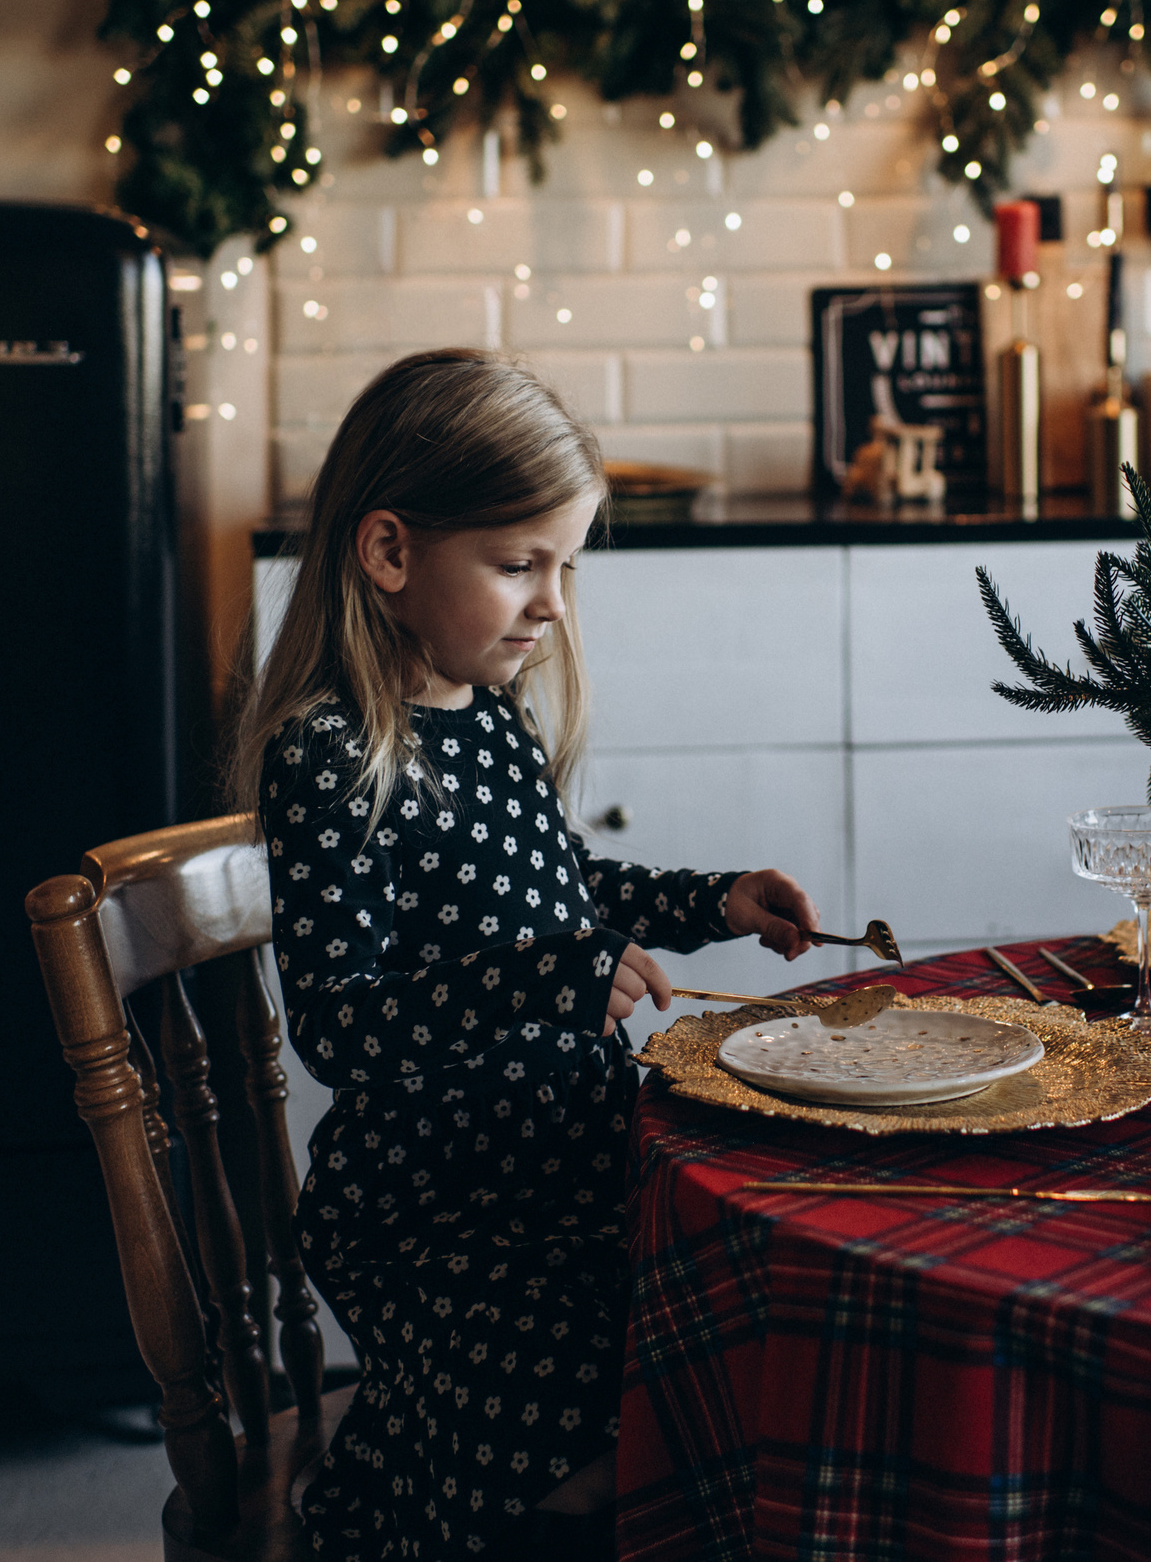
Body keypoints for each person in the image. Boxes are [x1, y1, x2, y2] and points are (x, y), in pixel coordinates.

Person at [230, 349, 819, 1561]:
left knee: (722, 1327)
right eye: (518, 565)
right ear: (390, 553)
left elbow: (558, 890)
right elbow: (339, 1021)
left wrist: (714, 898)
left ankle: (426, 1462)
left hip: (560, 1161)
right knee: (580, 1432)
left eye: (566, 566)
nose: (554, 602)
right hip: (434, 1199)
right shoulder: (326, 754)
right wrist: (548, 980)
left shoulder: (489, 715)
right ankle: (422, 1499)